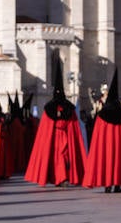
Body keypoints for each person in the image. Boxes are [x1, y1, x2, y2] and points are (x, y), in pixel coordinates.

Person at [24, 57, 86, 187]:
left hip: (58, 136)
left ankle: (62, 178)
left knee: (61, 157)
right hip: (60, 136)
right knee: (59, 157)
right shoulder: (67, 107)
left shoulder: (50, 108)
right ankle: (60, 178)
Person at [82, 72, 121, 193]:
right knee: (119, 159)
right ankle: (117, 184)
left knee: (107, 159)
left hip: (107, 144)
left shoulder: (103, 114)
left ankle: (108, 183)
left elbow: (98, 133)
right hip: (119, 144)